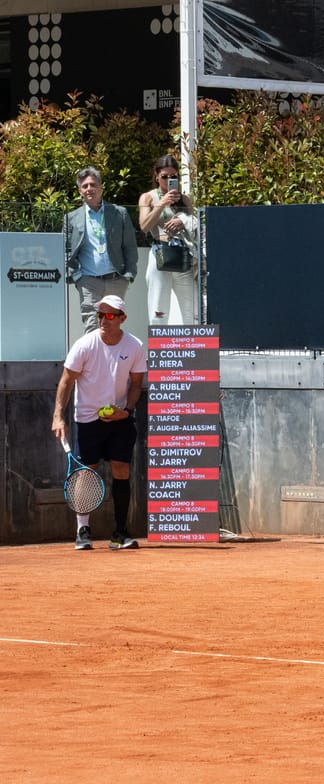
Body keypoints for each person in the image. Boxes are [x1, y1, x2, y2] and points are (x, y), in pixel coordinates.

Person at [52, 294, 147, 551]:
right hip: (87, 419)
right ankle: (83, 532)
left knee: (121, 470)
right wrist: (58, 416)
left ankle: (120, 533)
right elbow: (66, 381)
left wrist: (125, 411)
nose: (104, 320)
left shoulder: (135, 346)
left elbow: (137, 385)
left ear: (122, 318)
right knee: (86, 473)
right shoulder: (84, 345)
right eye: (100, 314)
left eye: (110, 315)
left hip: (119, 419)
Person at [65, 166, 139, 332]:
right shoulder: (71, 218)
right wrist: (76, 276)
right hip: (88, 281)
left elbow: (130, 247)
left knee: (112, 327)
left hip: (116, 280)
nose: (89, 189)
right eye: (85, 186)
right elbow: (66, 251)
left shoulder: (119, 213)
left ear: (101, 187)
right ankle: (93, 359)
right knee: (92, 327)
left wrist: (129, 275)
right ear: (80, 191)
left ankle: (112, 359)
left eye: (93, 184)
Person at [138, 154, 198, 324]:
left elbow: (194, 225)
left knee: (192, 307)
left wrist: (182, 220)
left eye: (173, 177)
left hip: (182, 254)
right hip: (161, 253)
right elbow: (144, 226)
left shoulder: (184, 199)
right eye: (164, 177)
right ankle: (159, 348)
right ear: (157, 176)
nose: (168, 180)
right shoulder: (148, 197)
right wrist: (161, 204)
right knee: (159, 308)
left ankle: (193, 346)